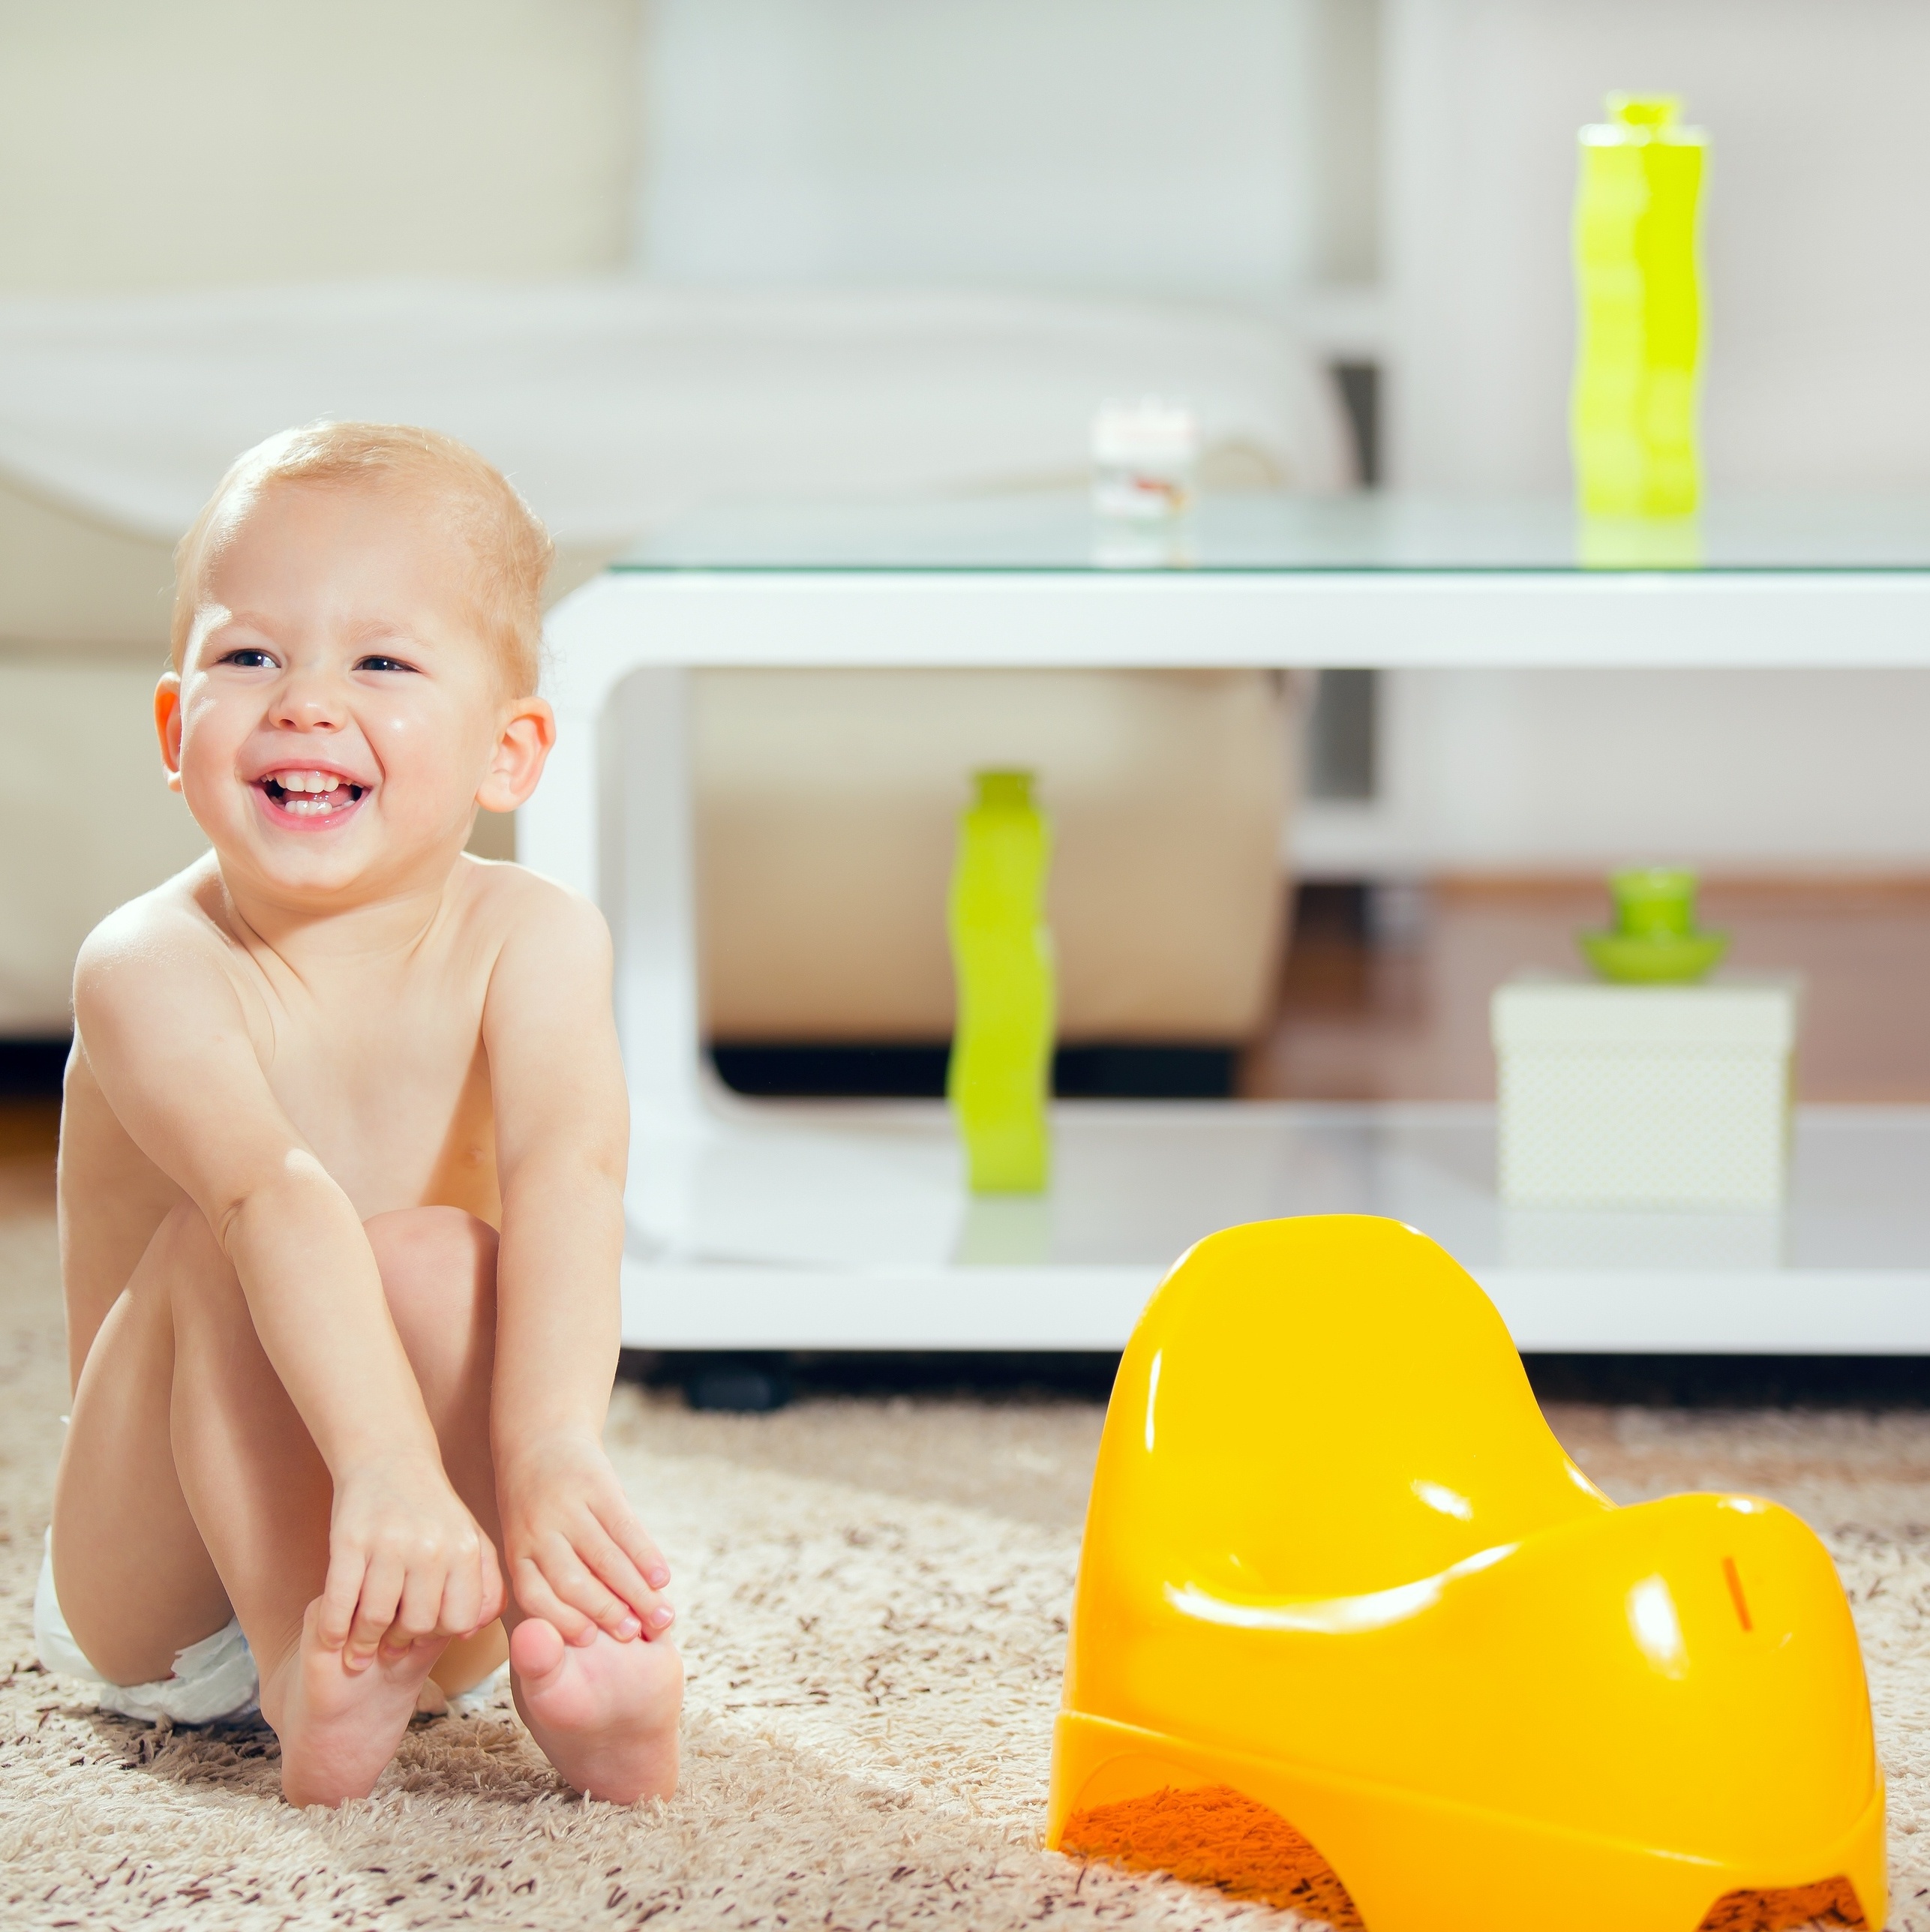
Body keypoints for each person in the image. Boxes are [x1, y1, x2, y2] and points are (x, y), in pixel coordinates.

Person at [38, 422, 681, 1807]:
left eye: (380, 662)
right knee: (244, 1221)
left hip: (410, 1552)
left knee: (457, 1257)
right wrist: (382, 1465)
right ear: (174, 728)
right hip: (159, 1577)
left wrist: (550, 1454)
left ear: (509, 754)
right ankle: (293, 1666)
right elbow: (270, 1197)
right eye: (249, 656)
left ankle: (568, 1663)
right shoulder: (150, 963)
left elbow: (573, 1170)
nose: (305, 703)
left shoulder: (538, 939)